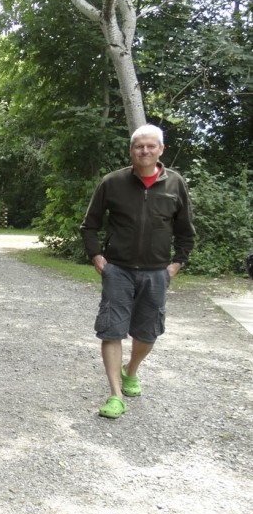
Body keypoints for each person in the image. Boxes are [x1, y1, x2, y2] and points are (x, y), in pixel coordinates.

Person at [80, 123, 195, 419]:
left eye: (150, 146)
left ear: (161, 150)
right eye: (138, 146)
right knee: (111, 330)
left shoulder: (175, 184)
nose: (144, 151)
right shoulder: (112, 182)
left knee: (148, 333)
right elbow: (89, 225)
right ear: (131, 150)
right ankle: (115, 395)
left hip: (157, 272)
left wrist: (176, 264)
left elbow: (186, 231)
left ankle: (131, 370)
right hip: (117, 270)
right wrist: (96, 256)